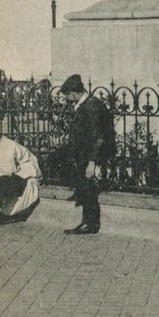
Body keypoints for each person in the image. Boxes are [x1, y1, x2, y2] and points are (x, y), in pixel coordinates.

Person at [60, 74, 115, 235]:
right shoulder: (88, 104)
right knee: (86, 187)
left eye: (68, 96)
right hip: (85, 155)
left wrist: (92, 162)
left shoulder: (91, 106)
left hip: (91, 156)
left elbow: (98, 137)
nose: (68, 100)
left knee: (89, 189)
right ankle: (86, 222)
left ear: (73, 92)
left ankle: (90, 224)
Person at [0, 126, 42, 227]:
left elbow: (7, 172)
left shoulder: (7, 146)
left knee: (1, 184)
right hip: (15, 176)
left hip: (27, 177)